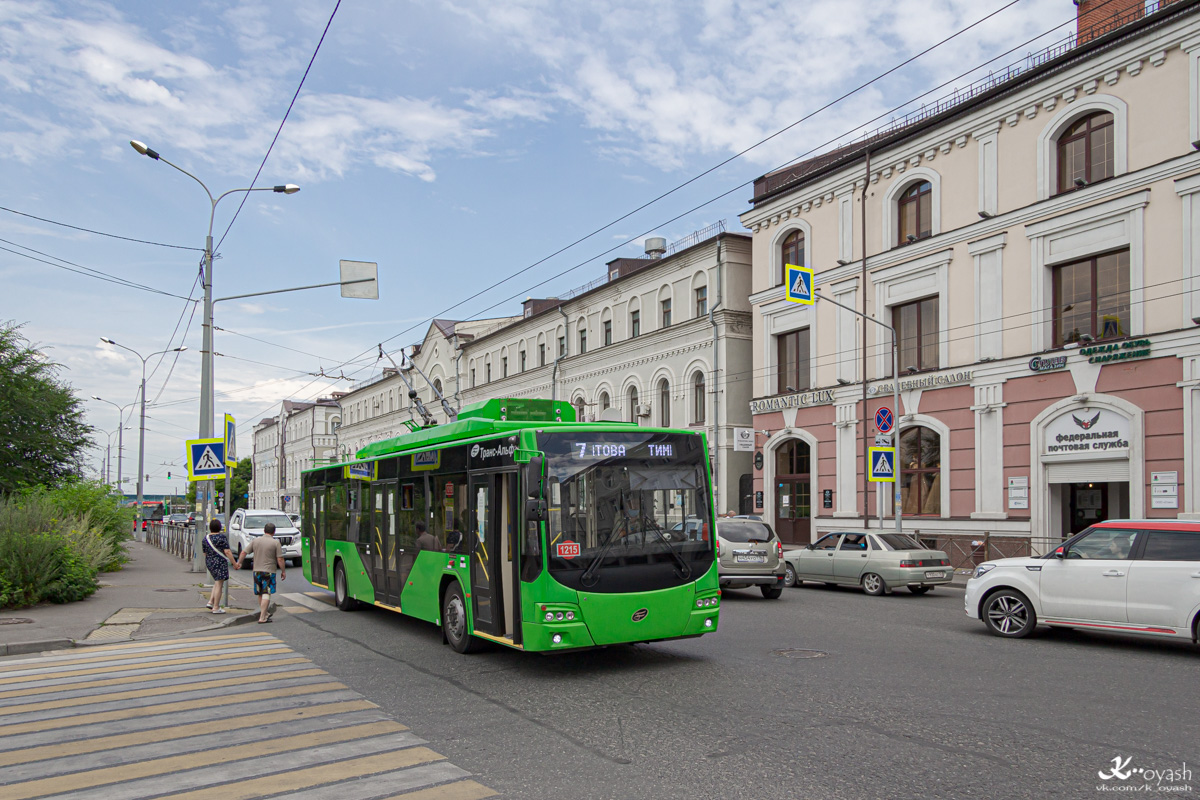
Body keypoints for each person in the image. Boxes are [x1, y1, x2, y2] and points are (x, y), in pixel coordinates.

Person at [236, 521, 285, 623]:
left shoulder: (256, 541)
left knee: (260, 593)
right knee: (267, 593)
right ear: (274, 532)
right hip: (269, 571)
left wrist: (239, 563)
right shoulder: (275, 543)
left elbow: (244, 552)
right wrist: (283, 571)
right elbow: (280, 559)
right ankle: (262, 617)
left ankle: (265, 613)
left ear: (264, 530)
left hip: (257, 571)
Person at [203, 518, 234, 614]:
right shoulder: (221, 537)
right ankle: (216, 607)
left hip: (209, 562)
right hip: (220, 562)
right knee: (219, 584)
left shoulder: (205, 538)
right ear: (220, 527)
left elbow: (204, 553)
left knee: (217, 582)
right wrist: (234, 563)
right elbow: (227, 551)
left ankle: (210, 602)